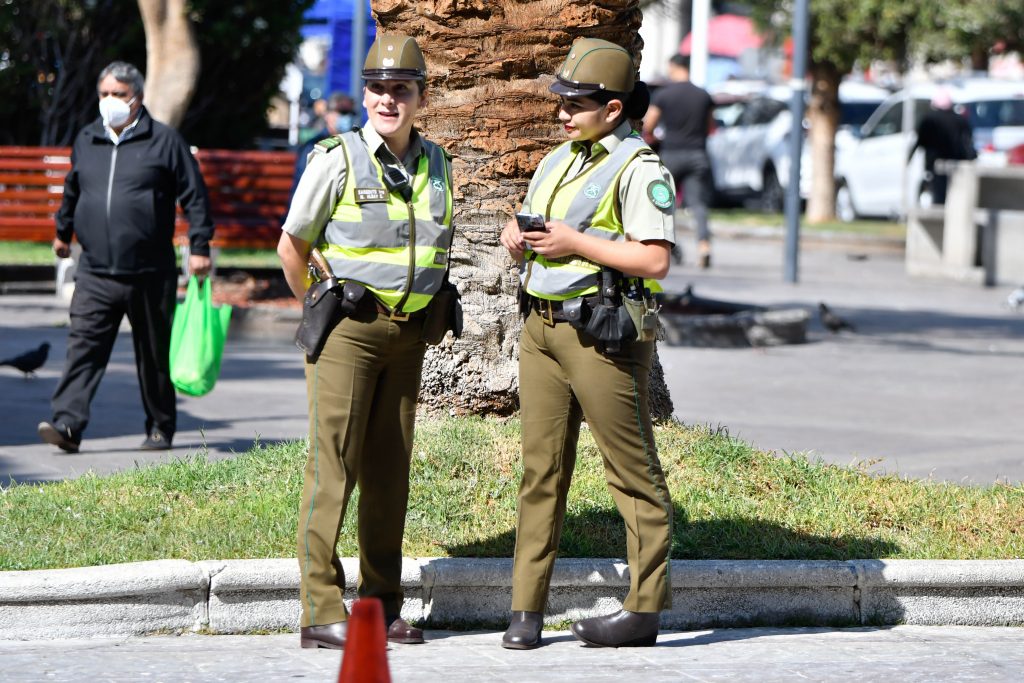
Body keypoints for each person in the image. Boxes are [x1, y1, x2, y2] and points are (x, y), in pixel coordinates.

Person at [277, 34, 454, 650]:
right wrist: (322, 304)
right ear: (366, 93)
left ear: (420, 97)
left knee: (389, 473)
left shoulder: (437, 162)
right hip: (349, 333)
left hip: (407, 337)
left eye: (400, 89)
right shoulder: (337, 157)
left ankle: (380, 604)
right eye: (377, 88)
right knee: (335, 469)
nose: (387, 99)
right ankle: (320, 609)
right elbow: (292, 247)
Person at [498, 37, 676, 649]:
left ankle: (644, 609)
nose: (562, 113)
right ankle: (525, 608)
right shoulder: (557, 159)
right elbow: (529, 221)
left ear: (614, 109)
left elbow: (654, 259)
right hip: (541, 330)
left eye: (577, 103)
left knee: (631, 473)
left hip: (601, 335)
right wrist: (514, 237)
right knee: (539, 470)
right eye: (562, 101)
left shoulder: (640, 167)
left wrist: (577, 243)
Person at [37, 61, 214, 454]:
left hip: (150, 272)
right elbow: (73, 189)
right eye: (104, 94)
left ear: (136, 97)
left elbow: (195, 197)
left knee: (153, 355)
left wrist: (200, 248)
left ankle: (160, 427)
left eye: (118, 94)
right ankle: (67, 424)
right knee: (83, 349)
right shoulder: (87, 139)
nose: (110, 102)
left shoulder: (165, 141)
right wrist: (63, 232)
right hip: (96, 271)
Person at [644, 54, 714, 268]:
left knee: (663, 202)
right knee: (698, 204)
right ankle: (704, 245)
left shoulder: (665, 95)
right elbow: (710, 127)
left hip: (671, 154)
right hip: (697, 154)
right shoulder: (703, 95)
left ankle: (671, 247)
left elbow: (648, 124)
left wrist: (657, 136)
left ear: (673, 67)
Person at [287, 92, 357, 209]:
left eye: (350, 113)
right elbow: (303, 188)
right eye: (342, 113)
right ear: (327, 115)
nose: (347, 117)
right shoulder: (314, 147)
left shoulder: (356, 144)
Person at [909, 89, 976, 205]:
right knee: (956, 195)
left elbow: (921, 140)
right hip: (957, 163)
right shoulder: (960, 120)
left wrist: (910, 157)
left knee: (938, 195)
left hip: (934, 163)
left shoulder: (929, 119)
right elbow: (968, 141)